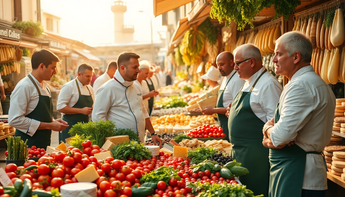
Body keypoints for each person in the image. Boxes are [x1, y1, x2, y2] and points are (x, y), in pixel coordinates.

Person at [262, 31, 335, 197]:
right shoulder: (315, 83)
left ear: (296, 57)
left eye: (278, 54)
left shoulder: (300, 86)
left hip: (299, 177)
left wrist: (266, 129)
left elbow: (280, 137)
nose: (273, 60)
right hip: (299, 172)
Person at [227, 44, 282, 196]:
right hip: (240, 156)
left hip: (257, 160)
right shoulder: (249, 81)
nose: (235, 68)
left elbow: (276, 123)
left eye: (238, 63)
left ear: (251, 62)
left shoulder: (268, 84)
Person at [92, 52, 162, 144]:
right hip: (120, 146)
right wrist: (111, 140)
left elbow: (143, 111)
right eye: (134, 67)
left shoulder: (136, 86)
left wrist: (153, 133)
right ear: (122, 68)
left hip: (140, 142)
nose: (138, 70)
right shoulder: (107, 88)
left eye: (138, 67)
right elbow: (98, 117)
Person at [8, 49, 69, 148]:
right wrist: (49, 125)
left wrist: (53, 121)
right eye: (53, 68)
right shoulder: (24, 86)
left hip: (42, 144)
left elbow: (40, 115)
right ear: (41, 66)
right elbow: (14, 120)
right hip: (26, 146)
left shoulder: (45, 86)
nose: (55, 72)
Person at [202, 52, 244, 142]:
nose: (219, 68)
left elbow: (236, 107)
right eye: (218, 65)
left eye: (222, 64)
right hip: (223, 123)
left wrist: (213, 110)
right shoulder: (225, 78)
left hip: (230, 122)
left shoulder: (237, 80)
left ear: (231, 62)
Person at [57, 64, 95, 142]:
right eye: (87, 76)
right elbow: (60, 107)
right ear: (79, 74)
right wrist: (81, 111)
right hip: (69, 127)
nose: (90, 79)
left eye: (91, 76)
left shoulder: (90, 88)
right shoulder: (68, 86)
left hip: (84, 127)